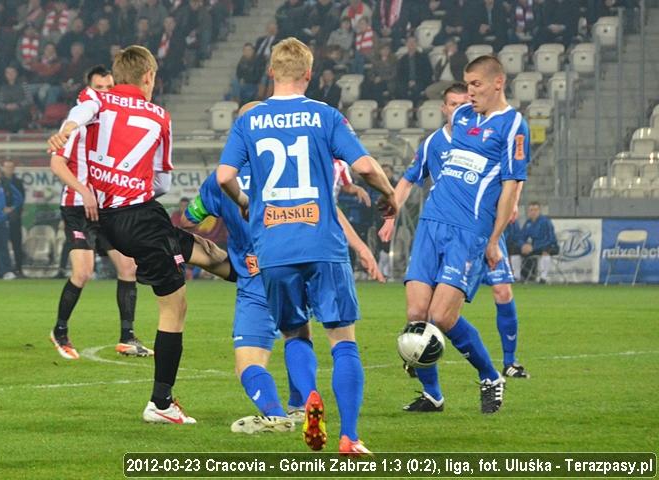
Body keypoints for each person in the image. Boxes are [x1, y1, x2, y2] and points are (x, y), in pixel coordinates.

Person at [216, 37, 397, 455]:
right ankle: (349, 436)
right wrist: (389, 194)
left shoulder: (250, 120)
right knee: (343, 339)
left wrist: (247, 203)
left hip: (274, 249)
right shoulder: (325, 115)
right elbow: (365, 166)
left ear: (271, 73)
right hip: (322, 243)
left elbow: (225, 175)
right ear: (309, 75)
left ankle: (308, 397)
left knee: (296, 333)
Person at [48, 45, 234, 425]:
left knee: (204, 251)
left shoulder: (97, 99)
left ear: (117, 77)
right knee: (175, 305)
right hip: (139, 214)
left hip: (109, 218)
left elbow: (81, 113)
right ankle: (161, 403)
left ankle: (252, 278)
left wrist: (67, 129)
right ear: (149, 76)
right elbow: (162, 180)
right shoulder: (160, 116)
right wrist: (133, 189)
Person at [184, 102, 385, 435]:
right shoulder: (297, 164)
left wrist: (209, 227)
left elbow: (193, 217)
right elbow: (329, 207)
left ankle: (276, 413)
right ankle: (307, 406)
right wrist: (361, 247)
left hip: (257, 276)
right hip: (309, 256)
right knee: (310, 334)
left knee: (250, 362)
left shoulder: (220, 181)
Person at [382, 56, 530, 415]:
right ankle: (433, 395)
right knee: (417, 314)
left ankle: (491, 376)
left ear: (498, 82)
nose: (469, 93)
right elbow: (433, 164)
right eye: (466, 85)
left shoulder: (513, 125)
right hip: (432, 223)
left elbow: (511, 187)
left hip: (470, 231)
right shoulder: (461, 119)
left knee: (442, 317)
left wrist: (494, 239)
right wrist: (393, 204)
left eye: (476, 85)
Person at [46, 66, 150, 360]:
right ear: (89, 89)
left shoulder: (111, 126)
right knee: (83, 271)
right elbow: (56, 165)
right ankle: (60, 331)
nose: (105, 92)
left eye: (109, 87)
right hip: (77, 206)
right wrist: (84, 190)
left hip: (103, 208)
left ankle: (127, 337)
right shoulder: (78, 121)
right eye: (100, 88)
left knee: (128, 267)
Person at [512, 201, 558, 283]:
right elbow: (521, 237)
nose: (533, 212)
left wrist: (533, 247)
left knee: (546, 250)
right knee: (515, 250)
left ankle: (543, 277)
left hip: (550, 246)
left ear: (539, 211)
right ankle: (517, 276)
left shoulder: (546, 222)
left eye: (535, 210)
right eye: (531, 210)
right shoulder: (528, 223)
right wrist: (523, 245)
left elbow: (551, 239)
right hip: (533, 247)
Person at [1, 161, 26, 277]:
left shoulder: (18, 183)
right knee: (2, 244)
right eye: (7, 167)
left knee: (17, 244)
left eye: (11, 167)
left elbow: (21, 199)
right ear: (3, 168)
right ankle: (3, 269)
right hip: (0, 218)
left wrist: (12, 209)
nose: (9, 169)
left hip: (15, 218)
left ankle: (19, 269)